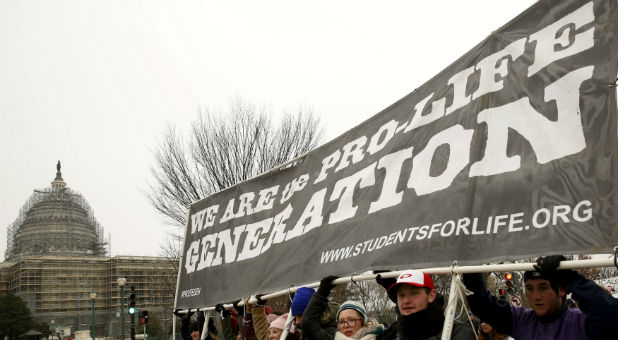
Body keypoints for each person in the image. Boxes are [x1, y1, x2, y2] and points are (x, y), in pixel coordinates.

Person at [463, 255, 618, 339]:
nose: (536, 296)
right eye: (530, 288)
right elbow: (481, 305)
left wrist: (572, 279)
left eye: (543, 287)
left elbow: (613, 316)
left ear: (561, 290)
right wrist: (471, 261)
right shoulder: (521, 320)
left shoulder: (582, 322)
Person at [377, 270, 474, 340]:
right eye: (401, 295)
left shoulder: (457, 333)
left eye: (414, 293)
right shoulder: (391, 334)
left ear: (431, 295)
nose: (406, 300)